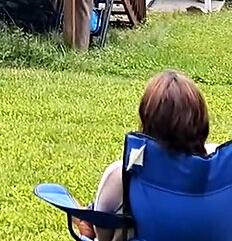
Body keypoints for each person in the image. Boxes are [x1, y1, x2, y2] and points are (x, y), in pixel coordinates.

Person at [82, 70, 219, 241]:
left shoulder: (123, 175)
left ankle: (86, 216)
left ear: (146, 120)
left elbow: (103, 236)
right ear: (202, 121)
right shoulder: (223, 172)